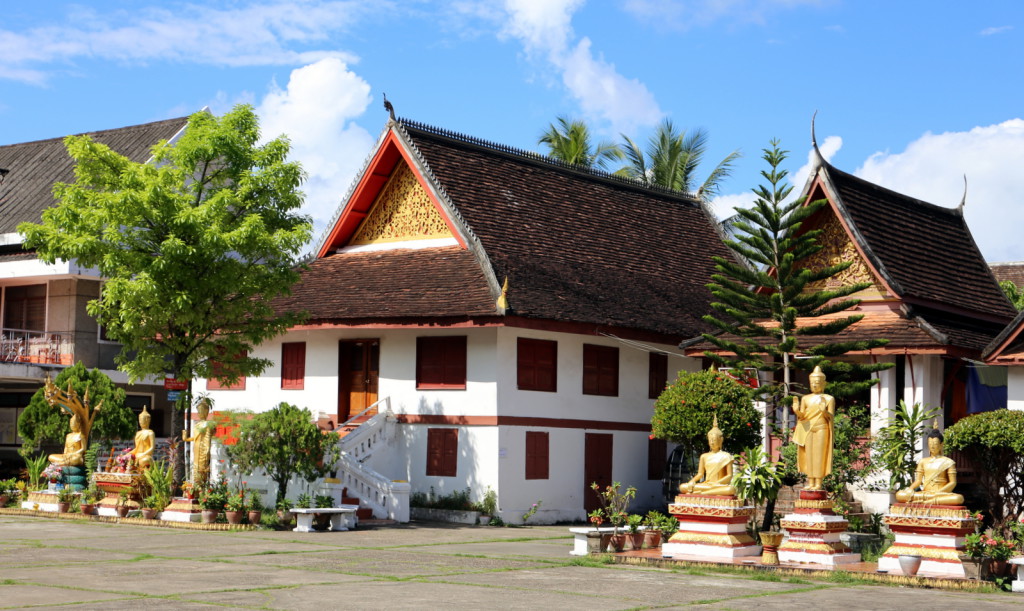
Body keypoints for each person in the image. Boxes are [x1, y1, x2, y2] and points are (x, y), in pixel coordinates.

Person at [895, 426, 964, 505]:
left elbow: (953, 483)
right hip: (925, 493)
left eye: (935, 443)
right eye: (930, 444)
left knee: (958, 498)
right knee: (900, 495)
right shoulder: (923, 461)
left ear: (941, 445)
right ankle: (928, 501)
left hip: (940, 494)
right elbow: (918, 481)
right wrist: (910, 489)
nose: (932, 446)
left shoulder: (948, 462)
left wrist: (937, 493)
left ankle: (926, 502)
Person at [792, 366, 834, 491]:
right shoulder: (805, 398)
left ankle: (818, 483)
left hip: (822, 428)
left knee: (819, 455)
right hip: (808, 428)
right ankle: (810, 481)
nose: (815, 385)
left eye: (817, 383)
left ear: (823, 383)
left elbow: (831, 417)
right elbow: (803, 416)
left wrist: (824, 411)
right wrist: (796, 411)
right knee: (809, 455)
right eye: (812, 383)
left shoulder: (828, 398)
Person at [678, 416, 737, 496]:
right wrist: (692, 481)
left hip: (718, 485)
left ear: (720, 441)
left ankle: (702, 493)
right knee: (683, 487)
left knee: (730, 489)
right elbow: (700, 474)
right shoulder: (704, 456)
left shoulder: (726, 456)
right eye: (710, 440)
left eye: (714, 440)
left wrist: (716, 483)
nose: (712, 443)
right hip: (706, 485)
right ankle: (706, 492)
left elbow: (729, 476)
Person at [183, 398, 214, 487]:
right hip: (196, 449)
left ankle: (201, 487)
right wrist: (186, 439)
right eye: (198, 411)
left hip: (203, 450)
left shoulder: (207, 424)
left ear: (206, 412)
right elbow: (196, 438)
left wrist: (207, 451)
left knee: (202, 469)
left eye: (201, 411)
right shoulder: (197, 424)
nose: (199, 413)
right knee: (196, 468)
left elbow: (207, 438)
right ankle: (196, 487)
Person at [131, 406, 155, 471]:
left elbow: (152, 448)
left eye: (142, 420)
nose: (141, 422)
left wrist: (143, 454)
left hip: (145, 456)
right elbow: (136, 448)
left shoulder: (150, 433)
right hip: (137, 454)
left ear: (147, 420)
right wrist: (127, 454)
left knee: (146, 460)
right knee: (126, 458)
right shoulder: (138, 433)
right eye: (140, 420)